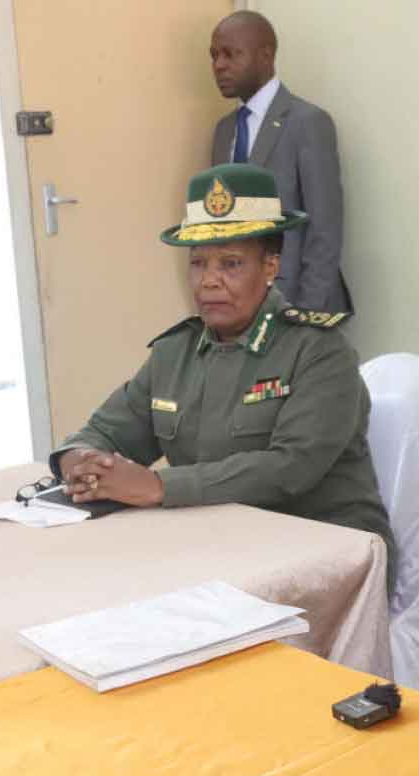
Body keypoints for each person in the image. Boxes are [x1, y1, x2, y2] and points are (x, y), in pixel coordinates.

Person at [50, 162, 394, 568]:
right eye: (198, 263)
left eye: (230, 264)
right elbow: (105, 432)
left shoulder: (319, 350)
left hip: (328, 548)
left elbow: (289, 469)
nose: (208, 281)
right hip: (219, 543)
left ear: (270, 266)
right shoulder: (174, 353)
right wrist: (81, 463)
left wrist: (157, 485)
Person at [209, 11, 350, 313]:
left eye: (231, 54)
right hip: (238, 306)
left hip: (295, 303)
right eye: (214, 55)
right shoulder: (224, 131)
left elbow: (325, 229)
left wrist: (306, 316)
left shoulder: (307, 123)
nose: (219, 65)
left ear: (265, 56)